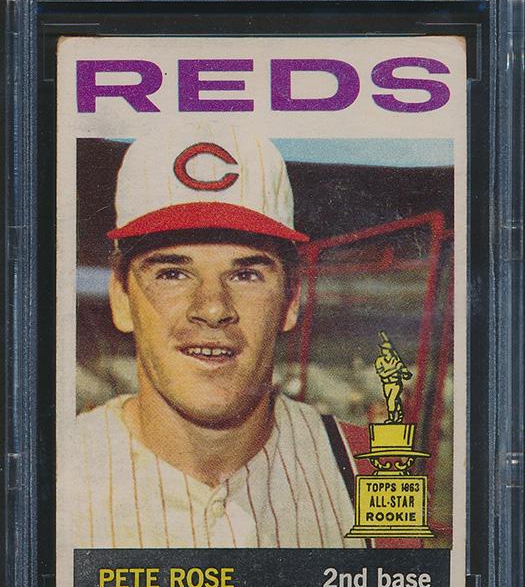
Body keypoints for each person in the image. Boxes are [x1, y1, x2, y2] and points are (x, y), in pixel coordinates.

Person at [73, 124, 367, 549]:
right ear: (121, 299)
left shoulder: (370, 471)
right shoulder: (46, 474)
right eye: (172, 273)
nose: (212, 308)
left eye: (246, 274)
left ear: (290, 301)